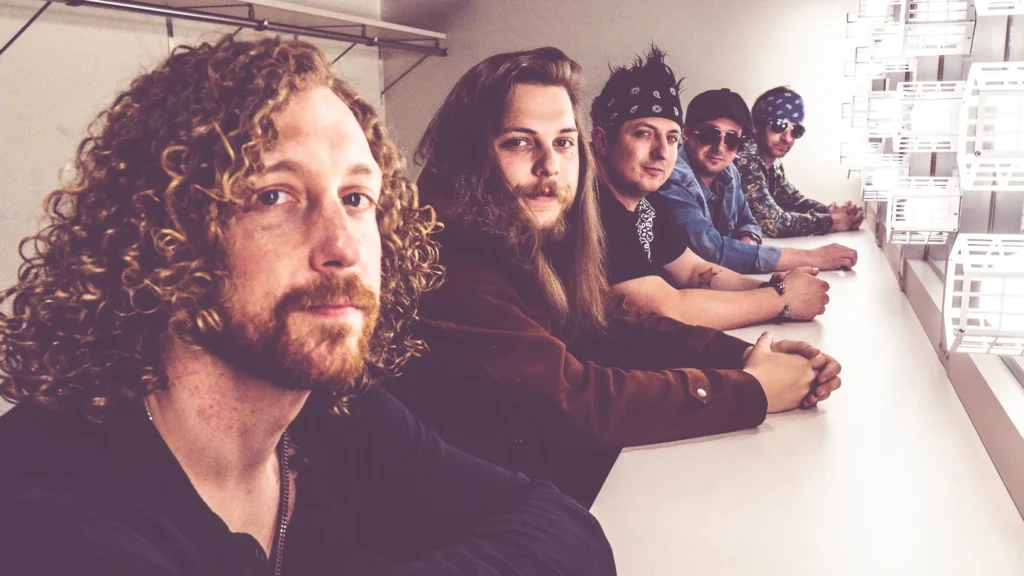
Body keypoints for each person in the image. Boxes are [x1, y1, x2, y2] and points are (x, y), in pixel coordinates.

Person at [0, 37, 615, 575]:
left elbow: (565, 527)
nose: (342, 246)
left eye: (356, 197)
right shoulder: (50, 508)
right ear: (162, 232)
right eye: (275, 195)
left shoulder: (331, 417)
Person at [388, 47, 843, 508]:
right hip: (477, 516)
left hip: (540, 484)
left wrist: (747, 355)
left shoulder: (540, 231)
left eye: (564, 142)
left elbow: (614, 321)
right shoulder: (450, 258)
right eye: (519, 142)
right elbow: (577, 399)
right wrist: (753, 389)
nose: (549, 165)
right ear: (469, 152)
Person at [591, 46, 831, 330]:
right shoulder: (596, 209)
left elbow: (693, 270)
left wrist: (768, 285)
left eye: (670, 138)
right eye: (644, 134)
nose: (662, 152)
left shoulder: (646, 203)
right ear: (602, 141)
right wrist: (781, 299)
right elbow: (669, 309)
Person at [657, 88, 859, 274]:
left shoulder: (729, 170)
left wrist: (748, 241)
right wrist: (811, 256)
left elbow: (750, 220)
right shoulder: (673, 178)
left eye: (732, 139)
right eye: (709, 135)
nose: (720, 147)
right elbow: (712, 251)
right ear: (686, 132)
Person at [735, 86, 865, 238]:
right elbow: (774, 224)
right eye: (779, 126)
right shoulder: (745, 160)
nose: (787, 138)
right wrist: (832, 222)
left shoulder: (772, 163)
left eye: (796, 130)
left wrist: (829, 212)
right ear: (756, 126)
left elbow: (794, 202)